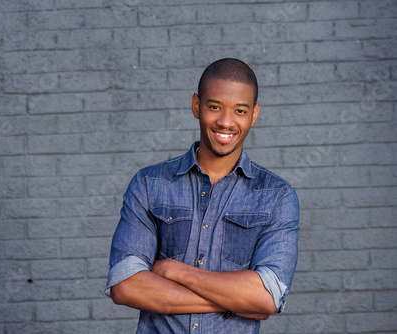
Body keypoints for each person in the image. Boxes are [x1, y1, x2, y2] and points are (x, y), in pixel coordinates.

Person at [105, 58, 300, 333]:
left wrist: (177, 271)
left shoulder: (277, 197)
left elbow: (267, 295)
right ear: (197, 105)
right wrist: (235, 301)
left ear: (254, 114)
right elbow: (125, 286)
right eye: (215, 107)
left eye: (240, 111)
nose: (226, 122)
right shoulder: (150, 185)